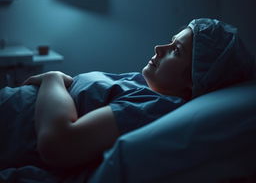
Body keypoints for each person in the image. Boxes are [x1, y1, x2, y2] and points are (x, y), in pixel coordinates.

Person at [0, 18, 254, 172]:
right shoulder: (144, 85)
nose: (159, 48)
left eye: (176, 50)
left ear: (196, 80)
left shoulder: (152, 106)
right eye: (171, 41)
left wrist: (53, 78)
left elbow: (58, 144)